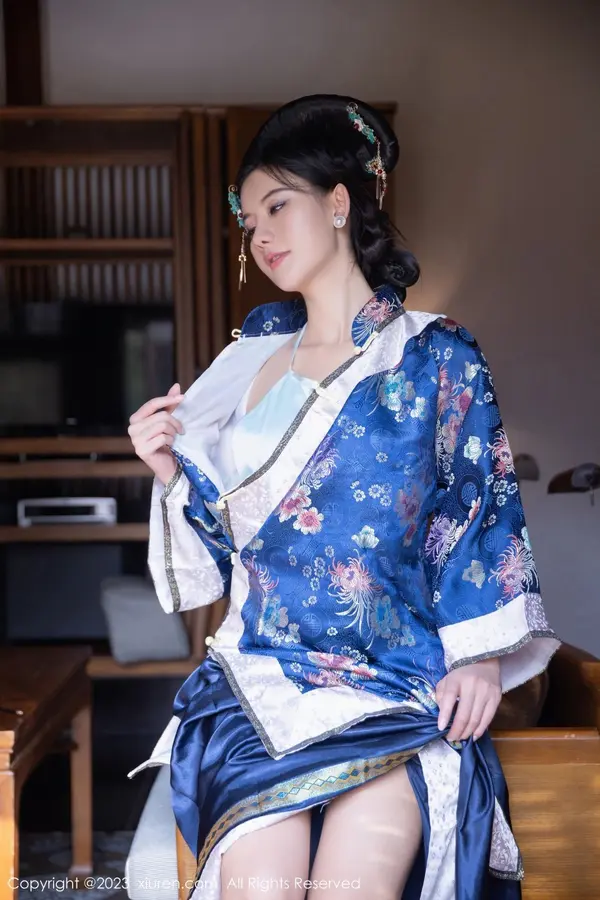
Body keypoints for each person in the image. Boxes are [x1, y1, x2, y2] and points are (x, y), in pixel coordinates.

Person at [127, 95, 559, 900]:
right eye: (248, 219)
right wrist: (169, 473)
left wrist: (478, 659)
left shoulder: (436, 356)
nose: (259, 235)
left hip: (393, 686)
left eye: (277, 206)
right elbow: (227, 552)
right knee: (263, 889)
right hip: (262, 680)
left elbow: (477, 509)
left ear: (337, 204)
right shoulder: (245, 363)